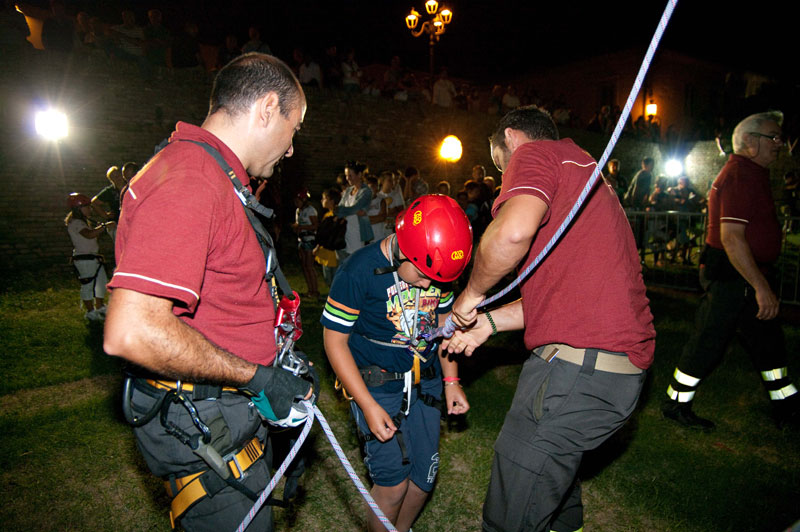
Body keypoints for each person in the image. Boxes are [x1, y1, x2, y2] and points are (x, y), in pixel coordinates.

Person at [102, 53, 313, 531]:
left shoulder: (208, 173)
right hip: (210, 444)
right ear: (266, 108)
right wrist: (256, 377)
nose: (292, 148)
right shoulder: (192, 180)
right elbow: (131, 330)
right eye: (293, 128)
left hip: (227, 429)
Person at [445, 105, 655, 532]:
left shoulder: (536, 153)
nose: (503, 180)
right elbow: (563, 298)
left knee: (511, 517)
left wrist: (471, 295)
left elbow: (512, 233)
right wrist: (488, 322)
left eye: (499, 165)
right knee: (554, 495)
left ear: (511, 138)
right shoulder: (584, 170)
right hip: (606, 371)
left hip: (576, 372)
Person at [322, 194, 472, 532]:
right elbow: (334, 341)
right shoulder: (358, 271)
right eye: (422, 277)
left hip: (427, 382)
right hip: (378, 387)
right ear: (404, 249)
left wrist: (451, 381)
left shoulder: (436, 270)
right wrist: (367, 404)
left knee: (422, 481)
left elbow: (445, 325)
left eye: (439, 281)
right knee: (393, 486)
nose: (430, 286)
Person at [662, 111, 800, 430]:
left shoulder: (751, 172)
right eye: (774, 137)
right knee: (710, 338)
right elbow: (731, 238)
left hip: (745, 272)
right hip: (733, 274)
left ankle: (786, 403)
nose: (780, 144)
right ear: (750, 142)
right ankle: (676, 403)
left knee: (767, 338)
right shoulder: (740, 174)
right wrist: (761, 286)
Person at [65, 193, 112, 321]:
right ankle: (90, 312)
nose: (89, 209)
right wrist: (103, 227)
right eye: (86, 207)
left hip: (92, 257)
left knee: (101, 283)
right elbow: (89, 235)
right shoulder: (76, 223)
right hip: (84, 259)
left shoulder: (83, 221)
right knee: (88, 285)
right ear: (78, 209)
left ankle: (100, 306)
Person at [336, 160, 374, 261]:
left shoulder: (366, 191)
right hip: (344, 233)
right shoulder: (348, 190)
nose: (347, 178)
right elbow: (338, 209)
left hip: (357, 234)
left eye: (350, 175)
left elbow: (355, 208)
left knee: (355, 262)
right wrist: (351, 211)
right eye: (346, 175)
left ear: (359, 175)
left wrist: (348, 211)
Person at [314, 187, 346, 288]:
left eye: (324, 198)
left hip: (333, 254)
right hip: (325, 253)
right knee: (328, 280)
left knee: (334, 281)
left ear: (331, 200)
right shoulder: (327, 215)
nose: (322, 201)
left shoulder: (336, 216)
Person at [292, 187, 319, 299]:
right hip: (301, 240)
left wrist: (302, 227)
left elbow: (315, 226)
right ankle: (310, 290)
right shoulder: (299, 211)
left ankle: (315, 290)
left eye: (298, 201)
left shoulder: (310, 210)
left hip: (309, 239)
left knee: (309, 266)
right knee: (304, 266)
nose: (296, 203)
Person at [91, 165, 126, 241]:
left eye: (118, 175)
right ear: (111, 180)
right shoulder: (110, 191)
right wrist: (105, 215)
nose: (117, 178)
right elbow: (94, 203)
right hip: (117, 223)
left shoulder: (130, 186)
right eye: (114, 177)